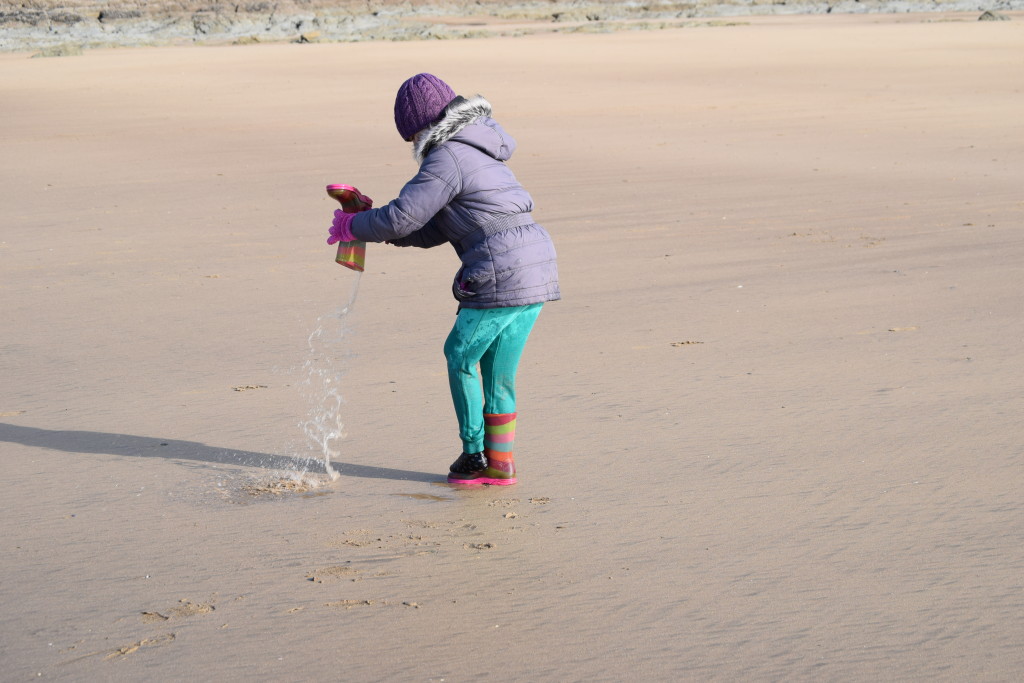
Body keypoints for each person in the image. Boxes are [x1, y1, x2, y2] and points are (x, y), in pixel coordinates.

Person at [327, 73, 560, 486]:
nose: (411, 145)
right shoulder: (479, 148)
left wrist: (353, 226)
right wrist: (377, 231)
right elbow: (433, 228)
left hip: (500, 267)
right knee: (497, 370)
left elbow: (402, 217)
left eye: (410, 135)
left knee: (461, 355)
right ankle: (500, 463)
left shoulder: (447, 156)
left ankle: (473, 456)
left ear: (421, 125)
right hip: (536, 263)